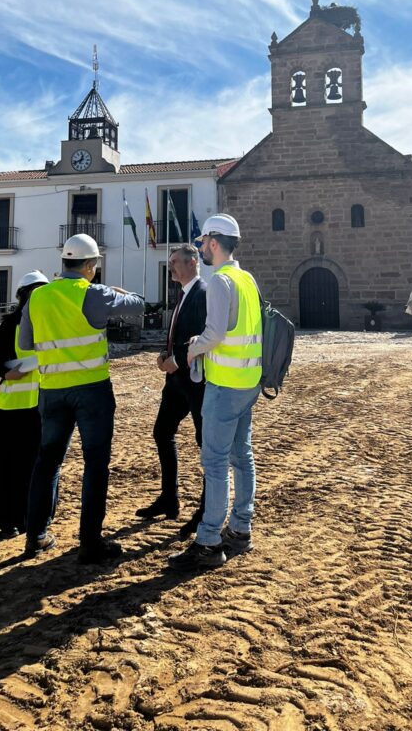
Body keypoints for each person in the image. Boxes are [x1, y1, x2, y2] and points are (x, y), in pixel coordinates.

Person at [20, 234, 144, 563]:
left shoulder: (38, 297)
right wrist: (118, 293)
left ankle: (35, 537)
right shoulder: (95, 294)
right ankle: (90, 542)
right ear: (89, 266)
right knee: (95, 464)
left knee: (47, 463)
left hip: (51, 392)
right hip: (92, 391)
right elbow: (139, 305)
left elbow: (26, 342)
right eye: (95, 267)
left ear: (63, 263)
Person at [169, 214, 262, 572]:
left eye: (201, 242)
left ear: (212, 241)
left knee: (215, 462)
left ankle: (208, 541)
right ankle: (240, 529)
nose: (200, 248)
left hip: (224, 385)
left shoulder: (222, 281)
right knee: (242, 455)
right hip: (248, 382)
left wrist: (192, 348)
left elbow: (216, 334)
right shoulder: (246, 278)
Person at [136, 244, 208, 538]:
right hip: (176, 382)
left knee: (207, 447)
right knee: (161, 432)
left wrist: (175, 359)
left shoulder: (202, 293)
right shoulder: (183, 294)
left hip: (196, 382)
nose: (171, 267)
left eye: (175, 261)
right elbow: (179, 332)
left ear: (192, 263)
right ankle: (169, 498)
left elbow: (201, 336)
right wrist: (164, 355)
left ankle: (206, 511)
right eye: (169, 262)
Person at [0, 270, 49, 537]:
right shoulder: (10, 325)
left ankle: (30, 521)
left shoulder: (50, 324)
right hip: (13, 407)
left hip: (41, 406)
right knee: (10, 467)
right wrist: (6, 372)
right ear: (23, 297)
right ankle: (9, 520)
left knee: (36, 467)